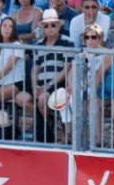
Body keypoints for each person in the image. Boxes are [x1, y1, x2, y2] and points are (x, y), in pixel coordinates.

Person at [15, 9, 75, 143]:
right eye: (46, 25)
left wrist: (50, 84)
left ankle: (44, 131)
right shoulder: (38, 45)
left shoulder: (67, 42)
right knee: (20, 98)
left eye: (53, 25)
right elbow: (35, 69)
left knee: (42, 99)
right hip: (41, 85)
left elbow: (67, 69)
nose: (50, 28)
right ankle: (46, 125)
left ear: (58, 26)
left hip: (58, 85)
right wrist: (34, 84)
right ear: (43, 28)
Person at [0, 17, 26, 135]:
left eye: (10, 26)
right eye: (4, 26)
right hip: (0, 81)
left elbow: (8, 68)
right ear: (0, 28)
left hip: (15, 82)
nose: (7, 28)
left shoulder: (17, 44)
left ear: (14, 30)